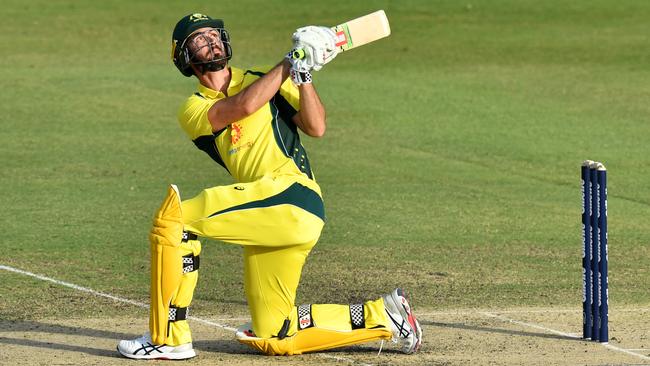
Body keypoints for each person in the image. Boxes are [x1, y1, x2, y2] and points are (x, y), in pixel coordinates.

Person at [117, 13, 422, 359]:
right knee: (274, 335)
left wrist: (303, 76)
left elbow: (317, 126)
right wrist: (290, 62)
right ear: (184, 57)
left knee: (173, 219)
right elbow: (242, 105)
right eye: (200, 38)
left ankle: (168, 337)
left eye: (214, 34)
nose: (212, 41)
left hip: (293, 195)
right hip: (272, 217)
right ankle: (387, 315)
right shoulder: (194, 108)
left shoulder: (267, 77)